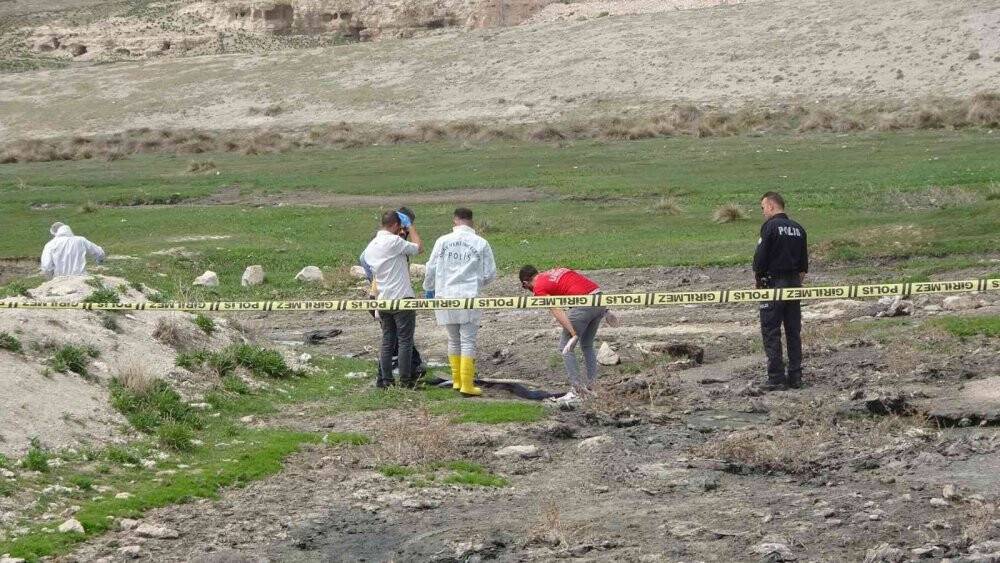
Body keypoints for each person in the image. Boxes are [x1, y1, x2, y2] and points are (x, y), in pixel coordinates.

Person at [423, 207, 497, 396]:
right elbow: (490, 273)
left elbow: (430, 268)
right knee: (468, 340)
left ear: (455, 220)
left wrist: (429, 287)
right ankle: (467, 384)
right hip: (468, 296)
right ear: (471, 221)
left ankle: (456, 380)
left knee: (453, 339)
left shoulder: (442, 241)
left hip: (444, 295)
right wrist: (477, 283)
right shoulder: (481, 242)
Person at [519, 266, 617, 402]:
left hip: (584, 305)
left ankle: (577, 390)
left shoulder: (538, 287)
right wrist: (605, 310)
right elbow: (579, 284)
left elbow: (556, 308)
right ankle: (594, 386)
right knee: (587, 345)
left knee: (565, 348)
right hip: (599, 298)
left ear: (525, 283)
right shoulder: (556, 271)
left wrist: (572, 331)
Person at [359, 207, 426, 381]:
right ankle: (405, 379)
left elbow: (365, 261)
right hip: (401, 297)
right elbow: (419, 248)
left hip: (382, 299)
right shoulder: (394, 243)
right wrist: (410, 227)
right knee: (405, 341)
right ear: (396, 225)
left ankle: (385, 379)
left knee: (388, 342)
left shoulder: (371, 246)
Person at [752, 191, 808, 390]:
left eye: (763, 208)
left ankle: (776, 377)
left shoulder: (770, 227)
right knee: (793, 331)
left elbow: (760, 260)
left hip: (774, 283)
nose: (763, 213)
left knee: (771, 330)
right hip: (794, 283)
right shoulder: (799, 229)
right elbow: (803, 266)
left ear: (771, 206)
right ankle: (796, 376)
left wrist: (759, 278)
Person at [40, 222, 105, 277]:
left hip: (60, 280)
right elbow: (99, 253)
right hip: (81, 277)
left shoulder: (50, 244)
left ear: (55, 233)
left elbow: (46, 266)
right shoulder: (80, 240)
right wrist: (99, 262)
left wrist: (51, 278)